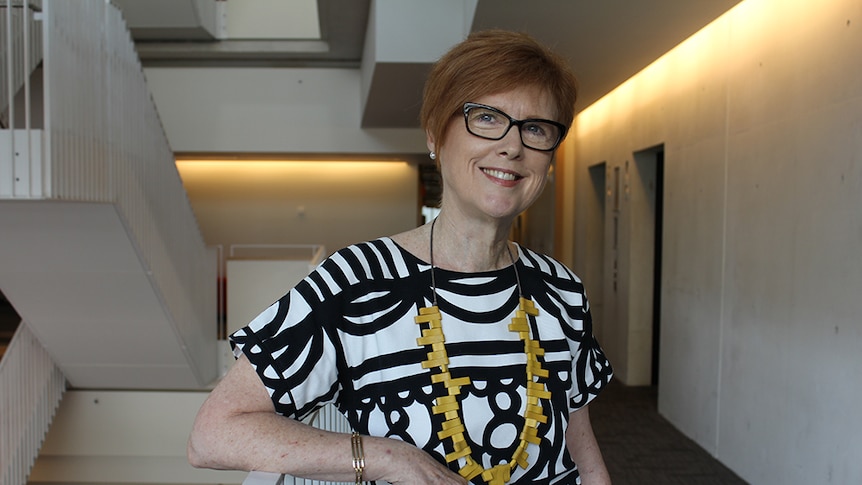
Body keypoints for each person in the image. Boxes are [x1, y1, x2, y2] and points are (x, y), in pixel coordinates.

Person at [188, 29, 613, 485]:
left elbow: (579, 442)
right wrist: (388, 457)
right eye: (487, 118)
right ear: (435, 135)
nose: (512, 146)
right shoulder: (355, 282)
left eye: (535, 128)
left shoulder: (561, 289)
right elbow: (213, 433)